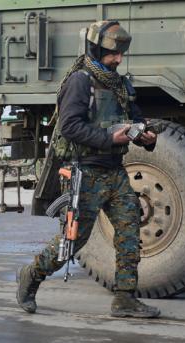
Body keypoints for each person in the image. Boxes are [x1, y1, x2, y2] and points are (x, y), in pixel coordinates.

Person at [16, 20, 161, 318]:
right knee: (73, 240)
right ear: (95, 49)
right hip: (86, 171)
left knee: (129, 230)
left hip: (114, 170)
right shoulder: (81, 81)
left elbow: (136, 118)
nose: (118, 59)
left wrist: (146, 135)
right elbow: (70, 126)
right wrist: (109, 138)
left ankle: (124, 299)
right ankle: (31, 275)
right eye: (112, 53)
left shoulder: (120, 83)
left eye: (121, 53)